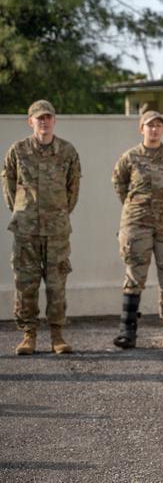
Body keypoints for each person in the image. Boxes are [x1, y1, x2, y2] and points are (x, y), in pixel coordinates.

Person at [2, 100, 81, 355]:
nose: (44, 122)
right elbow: (9, 186)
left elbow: (73, 189)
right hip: (26, 230)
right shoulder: (18, 150)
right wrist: (22, 212)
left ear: (54, 120)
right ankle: (29, 335)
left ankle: (57, 335)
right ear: (31, 122)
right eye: (39, 118)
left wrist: (58, 213)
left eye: (48, 117)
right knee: (26, 283)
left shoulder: (67, 151)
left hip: (57, 230)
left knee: (57, 284)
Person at [111, 110, 163, 350]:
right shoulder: (130, 158)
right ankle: (127, 331)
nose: (154, 129)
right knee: (134, 277)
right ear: (141, 128)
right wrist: (138, 208)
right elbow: (120, 185)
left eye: (158, 125)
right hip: (137, 224)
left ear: (162, 129)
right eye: (149, 125)